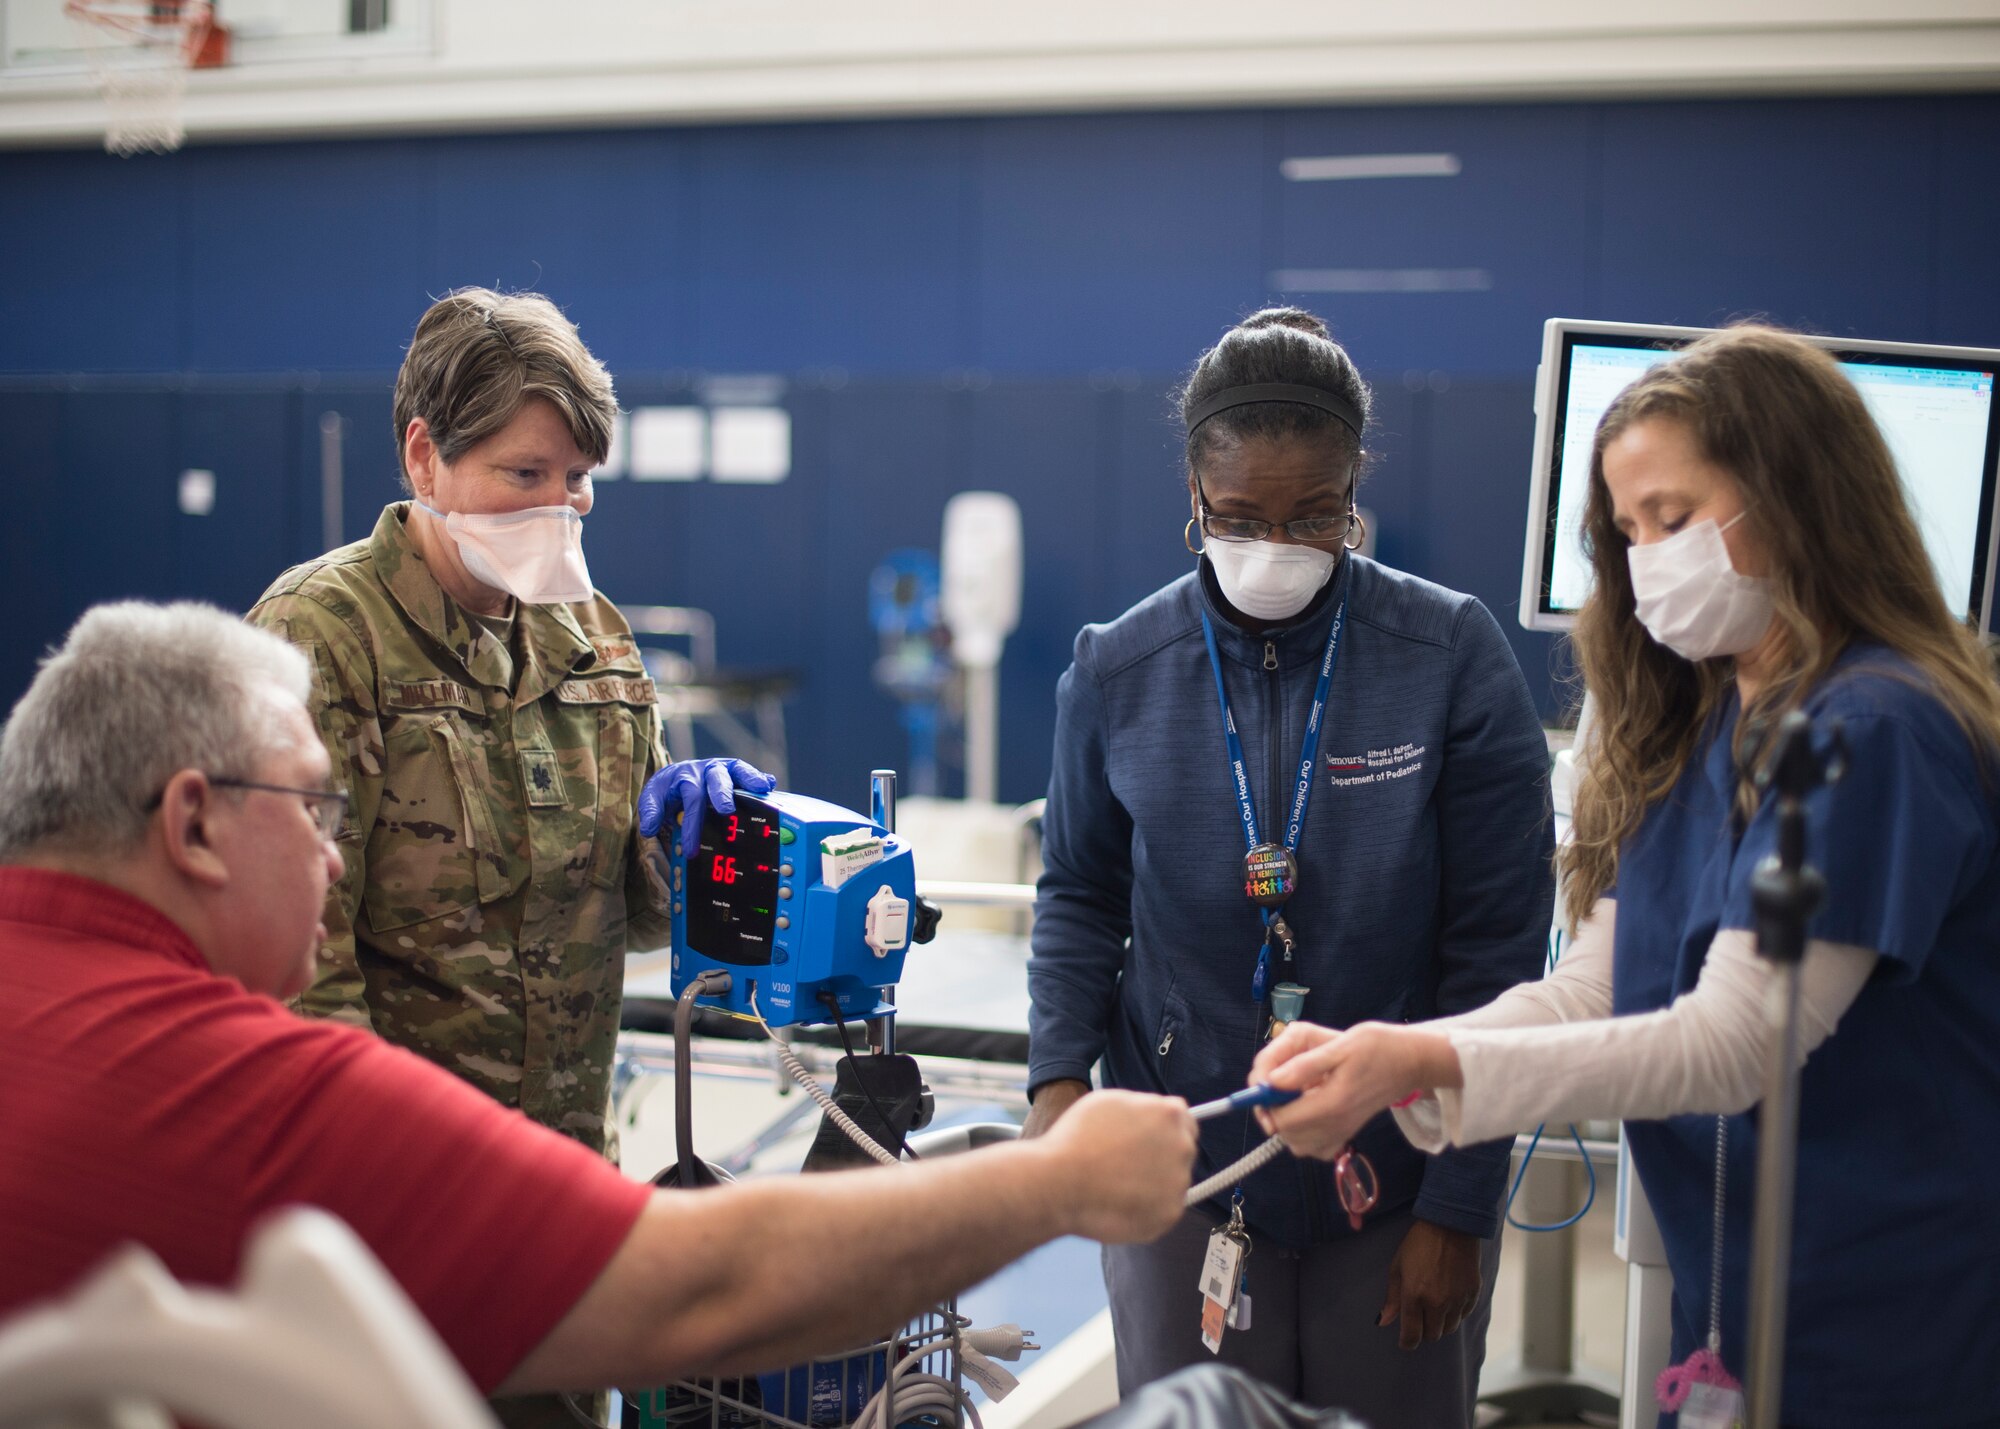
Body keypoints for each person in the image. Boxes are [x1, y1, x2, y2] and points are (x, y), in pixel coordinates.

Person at [0, 601, 1199, 1406]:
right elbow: (694, 1291)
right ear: (194, 822)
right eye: (312, 806)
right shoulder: (254, 1096)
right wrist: (1057, 1180)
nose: (333, 853)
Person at [1251, 325, 2000, 1427]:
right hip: (1737, 1293)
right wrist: (1395, 1066)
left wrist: (1414, 1055)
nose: (1646, 555)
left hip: (1892, 1303)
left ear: (1797, 499)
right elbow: (1595, 989)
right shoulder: (1699, 726)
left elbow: (1737, 1039)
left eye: (1675, 516)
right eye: (1626, 527)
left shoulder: (1875, 728)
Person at [1024, 308, 1554, 1425]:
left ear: (1356, 488)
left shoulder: (1447, 658)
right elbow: (1077, 893)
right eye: (1240, 517)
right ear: (1192, 495)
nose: (1275, 544)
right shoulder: (1118, 670)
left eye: (1314, 515)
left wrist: (1457, 1209)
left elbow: (1498, 950)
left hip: (1398, 1183)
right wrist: (1058, 1088)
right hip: (1186, 1177)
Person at [247, 288, 757, 1160]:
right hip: (396, 1178)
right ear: (424, 458)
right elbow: (293, 971)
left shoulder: (594, 639)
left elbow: (634, 919)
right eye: (526, 474)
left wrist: (689, 845)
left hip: (567, 1167)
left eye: (580, 478)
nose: (561, 506)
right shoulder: (321, 638)